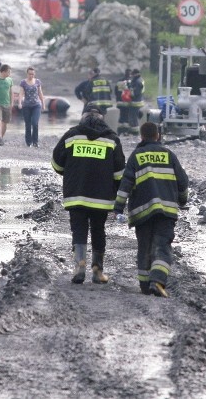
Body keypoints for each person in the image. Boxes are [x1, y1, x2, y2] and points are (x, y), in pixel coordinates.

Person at [51, 104, 126, 284]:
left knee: (78, 229)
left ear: (83, 116)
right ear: (102, 117)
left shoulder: (71, 135)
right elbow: (119, 173)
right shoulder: (112, 139)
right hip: (101, 198)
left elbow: (56, 164)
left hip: (76, 194)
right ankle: (98, 272)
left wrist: (71, 172)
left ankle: (79, 267)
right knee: (98, 230)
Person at [113, 122, 189, 297]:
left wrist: (118, 207)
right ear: (158, 136)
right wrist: (182, 200)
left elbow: (125, 185)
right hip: (166, 212)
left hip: (142, 213)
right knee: (162, 246)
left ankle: (145, 286)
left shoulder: (136, 156)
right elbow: (183, 182)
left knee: (144, 248)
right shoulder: (169, 155)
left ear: (142, 137)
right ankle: (158, 280)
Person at [18, 67, 44, 147]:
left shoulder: (37, 82)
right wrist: (19, 103)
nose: (31, 75)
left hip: (36, 105)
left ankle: (35, 142)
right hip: (26, 106)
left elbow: (40, 93)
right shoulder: (23, 82)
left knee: (35, 123)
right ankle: (28, 142)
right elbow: (21, 93)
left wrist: (43, 103)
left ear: (34, 74)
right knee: (28, 124)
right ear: (27, 74)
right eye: (29, 74)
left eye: (32, 74)